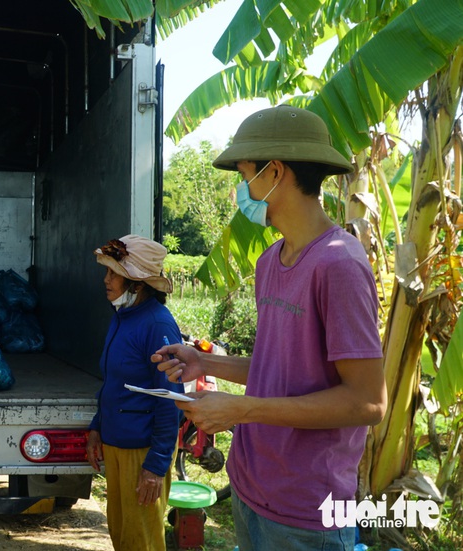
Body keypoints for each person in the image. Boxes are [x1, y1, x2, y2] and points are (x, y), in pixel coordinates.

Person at [155, 105, 387, 550]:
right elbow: (278, 368)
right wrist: (204, 361)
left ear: (275, 172)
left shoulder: (338, 263)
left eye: (245, 176)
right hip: (251, 490)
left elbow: (367, 402)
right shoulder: (269, 262)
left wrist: (242, 410)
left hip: (306, 511)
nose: (241, 190)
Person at [85, 235, 183, 551]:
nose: (106, 279)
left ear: (138, 285)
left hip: (141, 453)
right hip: (116, 446)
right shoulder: (122, 317)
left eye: (114, 273)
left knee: (142, 541)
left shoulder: (156, 324)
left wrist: (155, 467)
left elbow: (171, 401)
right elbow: (115, 382)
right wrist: (97, 427)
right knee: (122, 535)